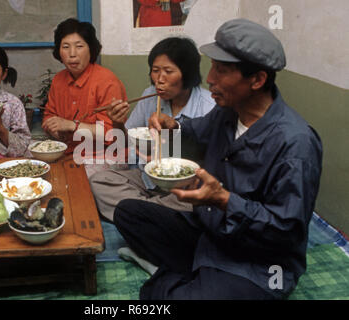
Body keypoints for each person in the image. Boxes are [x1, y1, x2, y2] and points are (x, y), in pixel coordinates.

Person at [113, 19, 323, 299]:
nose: (210, 78)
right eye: (212, 66)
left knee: (160, 297)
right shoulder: (229, 112)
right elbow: (197, 130)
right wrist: (174, 125)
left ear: (257, 80)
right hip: (211, 231)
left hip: (260, 260)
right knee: (128, 213)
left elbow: (285, 230)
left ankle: (177, 279)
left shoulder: (295, 143)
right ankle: (196, 275)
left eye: (221, 70)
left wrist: (223, 200)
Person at [89, 37, 215, 222]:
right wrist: (116, 123)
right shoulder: (149, 95)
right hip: (147, 179)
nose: (159, 80)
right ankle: (153, 214)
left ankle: (140, 214)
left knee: (199, 204)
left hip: (184, 187)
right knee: (100, 182)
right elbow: (125, 141)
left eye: (168, 72)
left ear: (187, 74)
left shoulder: (209, 106)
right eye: (155, 71)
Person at [42, 18, 127, 177]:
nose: (72, 54)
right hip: (69, 152)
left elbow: (112, 133)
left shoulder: (107, 81)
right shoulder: (58, 80)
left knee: (73, 180)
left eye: (79, 46)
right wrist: (55, 129)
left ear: (91, 49)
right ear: (58, 51)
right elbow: (48, 116)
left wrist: (71, 125)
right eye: (65, 47)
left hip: (105, 155)